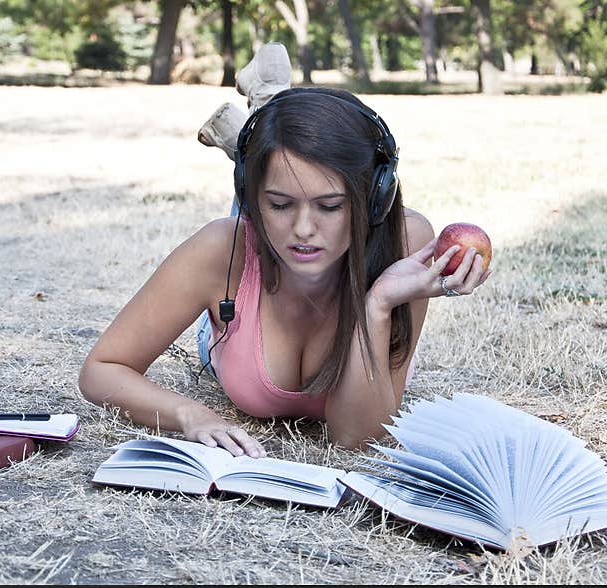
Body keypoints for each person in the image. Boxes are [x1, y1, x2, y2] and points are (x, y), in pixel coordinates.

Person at [79, 53, 491, 460]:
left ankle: (270, 114)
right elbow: (102, 369)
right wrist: (190, 415)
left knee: (285, 174)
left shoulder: (406, 244)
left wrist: (378, 303)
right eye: (278, 205)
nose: (303, 230)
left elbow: (359, 438)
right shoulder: (223, 252)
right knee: (257, 208)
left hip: (340, 255)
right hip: (235, 318)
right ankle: (267, 126)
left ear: (374, 199)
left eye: (330, 206)